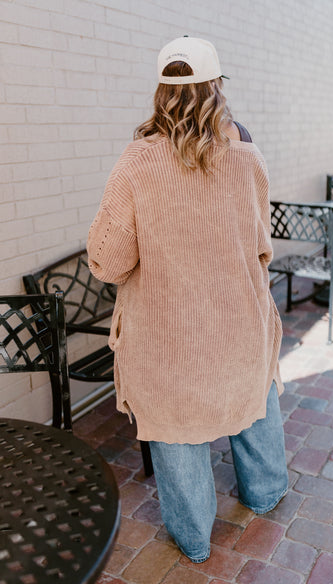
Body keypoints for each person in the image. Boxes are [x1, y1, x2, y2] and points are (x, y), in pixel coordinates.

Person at [87, 35, 288, 563]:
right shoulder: (248, 152)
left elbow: (108, 261)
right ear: (217, 87)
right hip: (239, 321)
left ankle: (196, 538)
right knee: (252, 397)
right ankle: (266, 492)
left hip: (168, 335)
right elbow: (262, 245)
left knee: (175, 426)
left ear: (162, 92)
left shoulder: (137, 161)